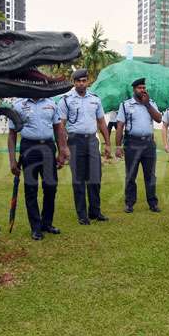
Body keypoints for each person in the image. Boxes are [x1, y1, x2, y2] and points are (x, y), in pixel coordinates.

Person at [8, 97, 69, 240]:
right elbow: (12, 134)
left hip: (48, 147)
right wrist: (12, 160)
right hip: (29, 148)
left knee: (50, 187)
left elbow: (58, 128)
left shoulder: (51, 103)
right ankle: (35, 228)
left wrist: (62, 151)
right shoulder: (18, 105)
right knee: (31, 189)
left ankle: (46, 223)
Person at [59, 69, 112, 225]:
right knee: (79, 179)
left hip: (92, 141)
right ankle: (82, 214)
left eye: (84, 81)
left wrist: (108, 143)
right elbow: (61, 126)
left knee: (95, 177)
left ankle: (95, 211)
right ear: (74, 82)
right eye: (78, 81)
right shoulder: (66, 100)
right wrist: (63, 147)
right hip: (75, 142)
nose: (81, 83)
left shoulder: (95, 99)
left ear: (88, 82)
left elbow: (102, 122)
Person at [116, 78, 162, 213]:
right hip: (132, 143)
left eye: (144, 87)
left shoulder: (151, 103)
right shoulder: (125, 105)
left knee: (150, 175)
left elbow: (159, 118)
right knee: (131, 175)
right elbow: (120, 126)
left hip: (148, 144)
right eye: (139, 88)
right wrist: (118, 146)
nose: (142, 90)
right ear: (134, 89)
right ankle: (129, 203)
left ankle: (153, 203)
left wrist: (147, 105)